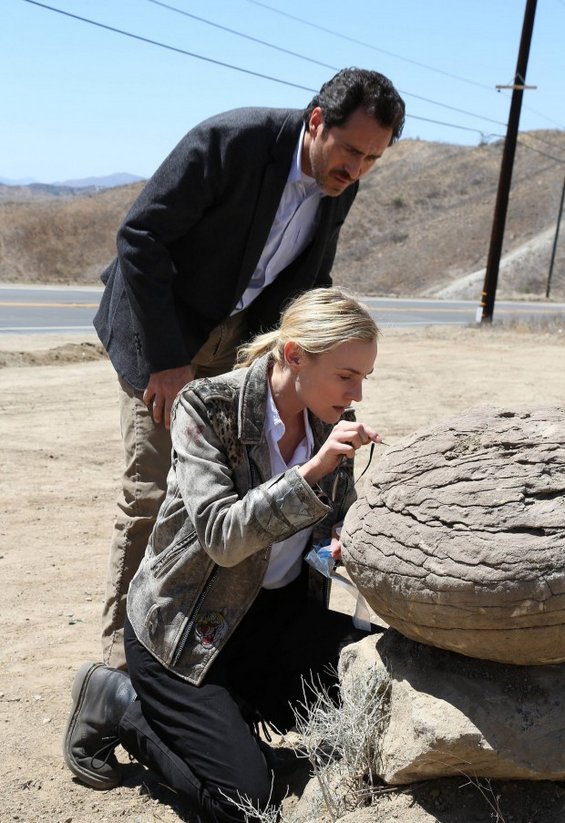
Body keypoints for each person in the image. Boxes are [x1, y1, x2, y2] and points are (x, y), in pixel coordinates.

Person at [93, 67, 405, 669]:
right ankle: (121, 662)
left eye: (373, 159)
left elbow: (309, 281)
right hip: (163, 332)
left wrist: (315, 369)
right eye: (351, 151)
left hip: (242, 340)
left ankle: (218, 645)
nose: (357, 169)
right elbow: (140, 238)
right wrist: (167, 363)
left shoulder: (341, 183)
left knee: (241, 490)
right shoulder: (232, 142)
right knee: (153, 493)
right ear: (317, 121)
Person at [64, 288, 383, 821]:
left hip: (270, 623)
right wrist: (310, 472)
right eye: (346, 375)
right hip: (184, 633)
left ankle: (234, 712)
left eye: (365, 377)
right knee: (246, 803)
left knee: (379, 690)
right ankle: (120, 704)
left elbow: (328, 522)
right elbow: (221, 537)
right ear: (295, 355)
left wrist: (340, 538)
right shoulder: (207, 407)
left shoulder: (330, 422)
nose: (357, 394)